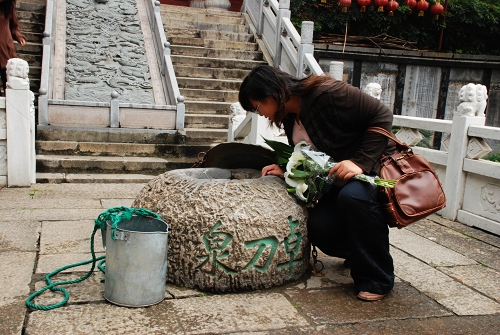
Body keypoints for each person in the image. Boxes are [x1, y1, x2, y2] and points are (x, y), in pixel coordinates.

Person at [238, 65, 395, 301]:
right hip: (337, 179)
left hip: (371, 170)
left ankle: (377, 278)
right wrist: (286, 169)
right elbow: (311, 153)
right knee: (320, 227)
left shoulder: (328, 93)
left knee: (353, 197)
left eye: (257, 106)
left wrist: (359, 163)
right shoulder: (291, 118)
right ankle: (362, 251)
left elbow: (382, 115)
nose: (258, 113)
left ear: (273, 92)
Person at [0, 0, 26, 96]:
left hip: (5, 49)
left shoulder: (8, 7)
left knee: (8, 83)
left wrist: (19, 37)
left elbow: (14, 27)